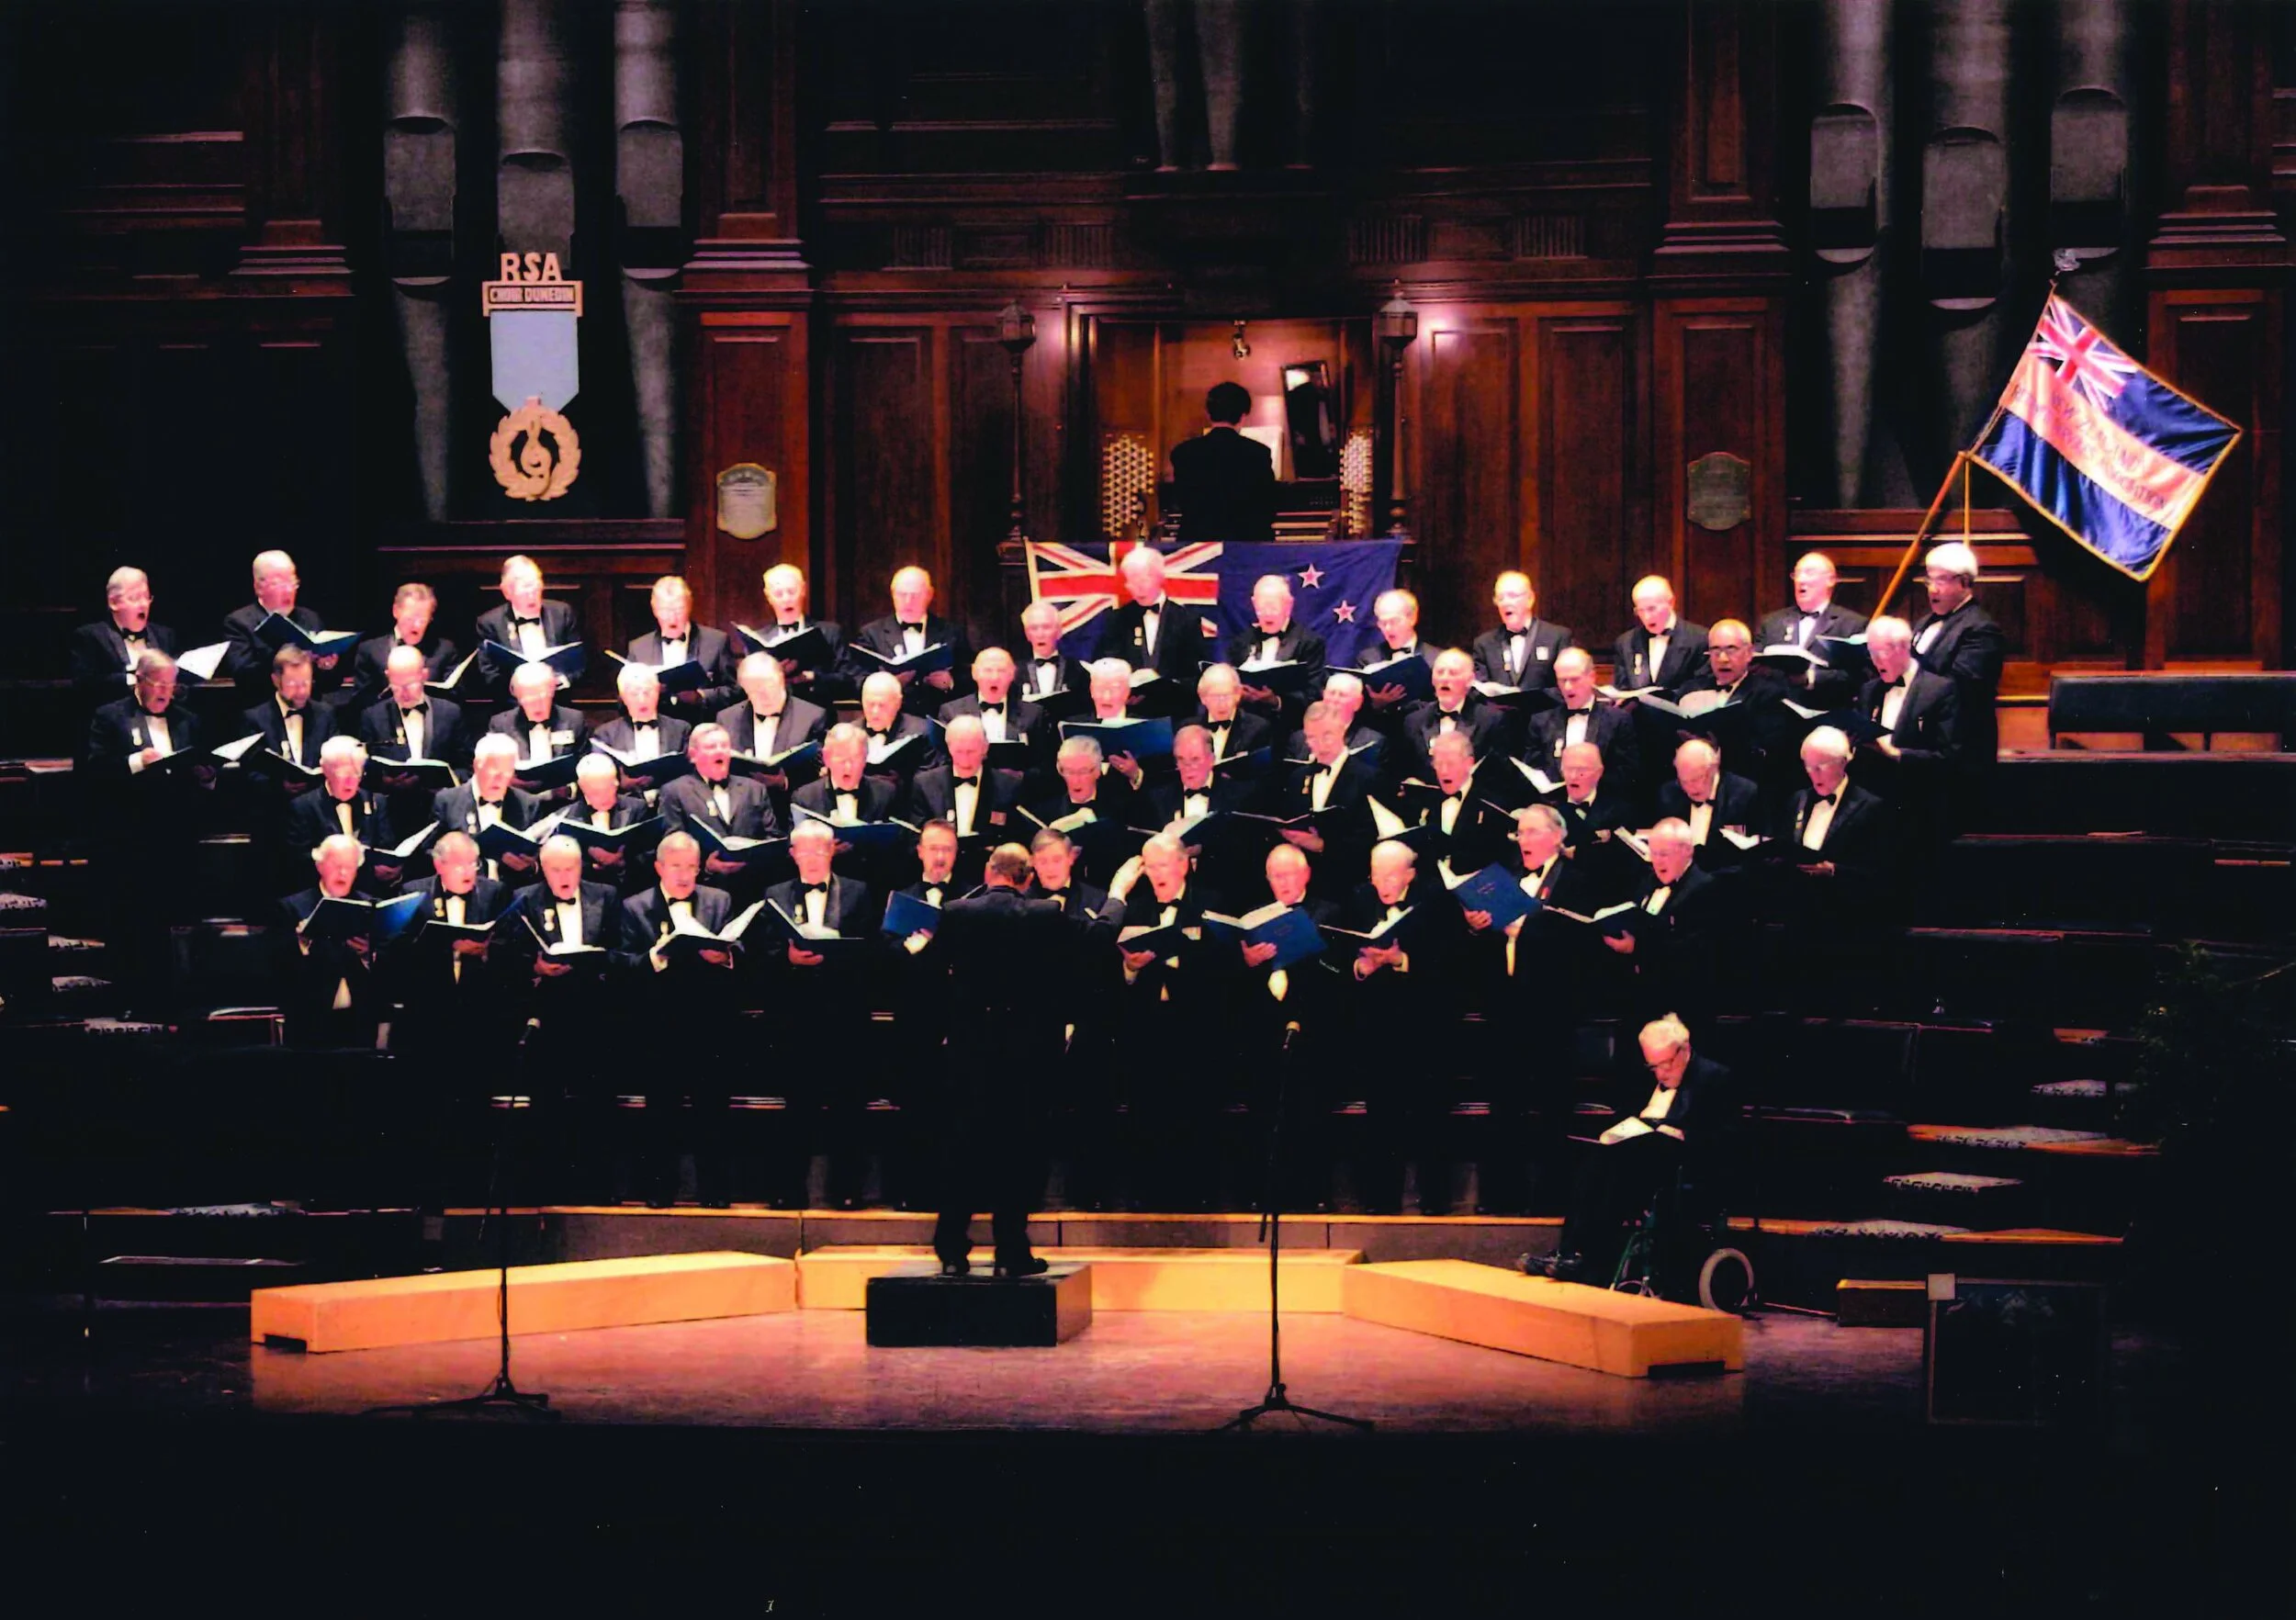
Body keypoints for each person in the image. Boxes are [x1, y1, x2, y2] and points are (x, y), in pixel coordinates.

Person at [929, 842, 1069, 1275]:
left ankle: (952, 1251)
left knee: (962, 1149)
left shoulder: (956, 912)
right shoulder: (1046, 914)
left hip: (971, 1050)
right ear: (1027, 878)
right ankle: (1011, 1251)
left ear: (989, 873)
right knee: (1018, 1151)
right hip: (1025, 1053)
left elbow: (934, 973)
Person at [1526, 1015, 1731, 1284]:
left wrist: (1682, 1134)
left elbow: (1723, 1138)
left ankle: (1587, 1258)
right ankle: (1568, 1252)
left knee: (1616, 1167)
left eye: (1666, 1064)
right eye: (1653, 1066)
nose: (1660, 1073)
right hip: (1638, 1157)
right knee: (1594, 1160)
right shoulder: (1652, 1079)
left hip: (1681, 1167)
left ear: (1685, 1050)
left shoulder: (1714, 1078)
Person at [613, 830, 740, 1205]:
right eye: (675, 866)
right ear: (658, 868)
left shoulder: (720, 901)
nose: (683, 875)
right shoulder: (635, 907)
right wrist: (653, 959)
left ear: (700, 868)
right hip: (659, 1027)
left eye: (690, 867)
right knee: (661, 1112)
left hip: (710, 1024)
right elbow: (621, 962)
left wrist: (726, 957)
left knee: (712, 1111)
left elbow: (740, 946)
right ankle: (659, 1190)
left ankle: (714, 1192)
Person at [1342, 839, 1469, 1213]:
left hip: (1427, 1029)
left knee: (1431, 1116)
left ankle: (1434, 1201)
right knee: (1381, 1116)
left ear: (1410, 874)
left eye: (1391, 874)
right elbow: (1337, 956)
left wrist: (1402, 961)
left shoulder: (1438, 903)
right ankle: (1380, 1200)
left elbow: (1453, 965)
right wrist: (1361, 969)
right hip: (1378, 1031)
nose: (1382, 882)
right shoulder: (1358, 900)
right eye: (1376, 874)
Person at [764, 819, 881, 1207]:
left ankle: (846, 1191)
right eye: (804, 850)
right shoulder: (775, 893)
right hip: (796, 1019)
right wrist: (787, 957)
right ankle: (788, 1190)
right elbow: (760, 953)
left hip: (845, 1015)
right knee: (797, 1107)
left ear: (832, 851)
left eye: (820, 849)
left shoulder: (860, 893)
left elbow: (870, 949)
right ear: (792, 854)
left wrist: (836, 958)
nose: (812, 857)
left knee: (849, 1107)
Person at [1599, 818, 1723, 1028]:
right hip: (1643, 992)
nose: (1657, 861)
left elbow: (1696, 950)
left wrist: (1638, 948)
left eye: (1664, 854)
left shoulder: (1706, 888)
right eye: (1653, 853)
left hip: (1680, 1001)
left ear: (1687, 851)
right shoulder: (1647, 881)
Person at [276, 834, 382, 1047]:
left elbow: (386, 973)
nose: (343, 873)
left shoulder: (372, 906)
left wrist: (367, 955)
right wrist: (302, 945)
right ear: (320, 866)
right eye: (336, 865)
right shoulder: (292, 907)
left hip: (359, 1023)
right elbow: (279, 969)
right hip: (310, 1024)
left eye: (350, 867)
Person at [1909, 540, 2004, 769]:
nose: (1932, 588)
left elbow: (1962, 686)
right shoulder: (1924, 622)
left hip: (1960, 747)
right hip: (1925, 740)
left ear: (1964, 583)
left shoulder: (1981, 629)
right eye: (1929, 579)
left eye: (1940, 580)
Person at [1272, 701, 1380, 895]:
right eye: (1312, 738)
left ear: (1342, 730)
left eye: (1327, 736)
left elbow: (1368, 840)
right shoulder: (1297, 777)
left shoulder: (1368, 777)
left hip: (1346, 889)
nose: (1319, 745)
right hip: (1304, 889)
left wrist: (1323, 846)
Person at [658, 723, 782, 893]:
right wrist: (706, 866)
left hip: (752, 886)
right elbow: (672, 845)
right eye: (710, 747)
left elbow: (773, 837)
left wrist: (751, 859)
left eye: (724, 746)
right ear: (693, 755)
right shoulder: (675, 791)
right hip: (703, 890)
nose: (719, 751)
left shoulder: (754, 788)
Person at [1094, 547, 1215, 714]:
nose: (1137, 588)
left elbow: (1196, 674)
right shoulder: (1117, 620)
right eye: (1131, 582)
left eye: (1143, 580)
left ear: (1160, 577)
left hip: (1175, 713)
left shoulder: (1186, 620)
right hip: (1130, 712)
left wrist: (1168, 686)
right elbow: (1103, 663)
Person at [848, 565, 971, 714]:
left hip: (940, 715)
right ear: (892, 595)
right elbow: (857, 680)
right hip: (892, 718)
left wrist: (950, 682)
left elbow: (969, 677)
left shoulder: (951, 632)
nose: (908, 601)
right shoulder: (871, 634)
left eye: (915, 595)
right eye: (901, 594)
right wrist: (889, 685)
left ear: (930, 595)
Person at [223, 549, 342, 702]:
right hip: (262, 712)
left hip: (309, 710)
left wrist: (326, 667)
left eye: (293, 583)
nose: (288, 590)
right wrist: (283, 656)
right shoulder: (239, 623)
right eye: (279, 584)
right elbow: (244, 678)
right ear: (259, 587)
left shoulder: (310, 618)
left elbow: (331, 685)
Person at [1168, 379, 1276, 544]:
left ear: (1208, 414)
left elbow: (1182, 501)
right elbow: (1267, 508)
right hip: (1247, 546)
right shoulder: (1258, 453)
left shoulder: (1183, 452)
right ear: (1243, 416)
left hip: (1197, 545)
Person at [1758, 552, 1867, 708]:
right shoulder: (1771, 623)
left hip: (1828, 716)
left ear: (1831, 580)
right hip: (1776, 717)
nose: (1801, 580)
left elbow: (1860, 676)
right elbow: (1755, 667)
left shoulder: (1852, 624)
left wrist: (1811, 677)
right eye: (1797, 573)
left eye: (1809, 573)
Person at [432, 734, 547, 882]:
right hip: (466, 891)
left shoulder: (528, 804)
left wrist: (530, 867)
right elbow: (430, 852)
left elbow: (540, 860)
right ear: (476, 765)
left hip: (512, 893)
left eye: (507, 771)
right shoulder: (447, 801)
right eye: (494, 770)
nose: (500, 779)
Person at [282, 737, 398, 879]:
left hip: (368, 890)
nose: (351, 782)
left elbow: (386, 848)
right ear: (325, 770)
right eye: (344, 774)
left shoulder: (376, 801)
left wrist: (389, 868)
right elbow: (299, 860)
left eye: (357, 774)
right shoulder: (303, 806)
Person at [1224, 572, 1327, 732]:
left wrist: (1276, 701)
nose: (1267, 614)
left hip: (1288, 729)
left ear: (1289, 605)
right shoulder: (1241, 642)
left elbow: (1313, 695)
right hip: (1247, 730)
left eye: (1273, 607)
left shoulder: (1309, 642)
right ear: (1253, 604)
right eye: (1261, 608)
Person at [1525, 648, 1640, 785]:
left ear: (1591, 677)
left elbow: (1627, 772)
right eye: (1563, 680)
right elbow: (1533, 769)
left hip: (1601, 802)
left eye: (1574, 679)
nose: (1568, 687)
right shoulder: (1541, 722)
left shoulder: (1617, 720)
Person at [70, 566, 178, 709]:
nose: (143, 604)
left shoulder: (164, 635)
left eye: (146, 597)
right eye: (134, 598)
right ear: (113, 603)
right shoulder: (91, 636)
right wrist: (135, 680)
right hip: (116, 724)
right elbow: (85, 685)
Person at [628, 574, 737, 714]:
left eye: (679, 610)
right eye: (665, 611)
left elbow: (734, 692)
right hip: (661, 729)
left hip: (700, 727)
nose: (672, 618)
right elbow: (622, 701)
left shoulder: (716, 642)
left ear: (689, 607)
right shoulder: (638, 648)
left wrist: (701, 697)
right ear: (654, 610)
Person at [474, 554, 580, 697]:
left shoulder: (562, 613)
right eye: (525, 593)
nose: (532, 597)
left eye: (536, 590)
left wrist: (560, 681)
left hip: (558, 702)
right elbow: (488, 672)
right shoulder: (490, 623)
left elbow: (578, 662)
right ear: (507, 592)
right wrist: (520, 688)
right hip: (512, 706)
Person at [356, 643, 470, 775]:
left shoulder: (450, 713)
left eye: (410, 685)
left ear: (424, 675)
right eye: (396, 686)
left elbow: (466, 767)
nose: (404, 693)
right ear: (388, 676)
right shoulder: (373, 717)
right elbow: (367, 771)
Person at [1401, 647, 1510, 782]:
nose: (1445, 678)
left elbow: (1499, 775)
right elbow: (1406, 771)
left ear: (1470, 680)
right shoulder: (1413, 722)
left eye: (1453, 673)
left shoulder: (1491, 720)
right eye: (1440, 672)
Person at [349, 582, 462, 709]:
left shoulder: (444, 650)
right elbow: (361, 701)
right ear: (395, 611)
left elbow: (456, 699)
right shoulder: (370, 651)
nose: (416, 626)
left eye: (423, 620)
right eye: (410, 619)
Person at [1652, 737, 1763, 864]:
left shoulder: (1744, 794)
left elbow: (1756, 854)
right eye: (1684, 781)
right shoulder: (1668, 794)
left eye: (1696, 779)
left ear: (1713, 768)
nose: (1690, 788)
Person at [241, 645, 337, 791]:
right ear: (275, 681)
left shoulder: (325, 714)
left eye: (306, 682)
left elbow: (336, 762)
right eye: (293, 684)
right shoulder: (255, 719)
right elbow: (250, 772)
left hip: (315, 805)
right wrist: (278, 786)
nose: (301, 691)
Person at [937, 646, 1048, 765]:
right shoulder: (951, 712)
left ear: (1012, 675)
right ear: (974, 673)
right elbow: (943, 762)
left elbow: (1042, 764)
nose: (994, 678)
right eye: (988, 670)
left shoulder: (1033, 714)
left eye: (1001, 671)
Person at [752, 562, 845, 701]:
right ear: (768, 597)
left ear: (803, 590)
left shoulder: (829, 632)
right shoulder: (759, 638)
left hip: (818, 711)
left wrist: (812, 677)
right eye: (778, 594)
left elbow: (847, 679)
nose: (786, 599)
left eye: (791, 592)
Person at [486, 660, 591, 783]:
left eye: (542, 698)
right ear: (517, 697)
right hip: (520, 798)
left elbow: (586, 768)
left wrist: (569, 790)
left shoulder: (574, 719)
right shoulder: (501, 725)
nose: (537, 707)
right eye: (529, 700)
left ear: (552, 691)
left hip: (564, 798)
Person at [567, 753, 657, 893]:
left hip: (630, 891)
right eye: (596, 792)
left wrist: (622, 863)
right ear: (582, 787)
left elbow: (649, 854)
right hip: (589, 896)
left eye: (610, 789)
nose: (605, 797)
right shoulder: (568, 818)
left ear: (617, 782)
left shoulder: (637, 808)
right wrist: (594, 866)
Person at [1471, 571, 1574, 692]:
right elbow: (1479, 691)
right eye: (1500, 598)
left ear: (1530, 599)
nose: (1506, 602)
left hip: (1545, 710)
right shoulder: (1484, 644)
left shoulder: (1557, 637)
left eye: (1512, 596)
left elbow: (1567, 686)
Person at [591, 661, 692, 782]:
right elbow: (600, 779)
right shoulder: (605, 735)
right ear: (623, 698)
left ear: (658, 692)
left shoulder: (681, 729)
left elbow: (690, 774)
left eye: (647, 692)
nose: (642, 700)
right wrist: (621, 785)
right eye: (634, 694)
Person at [1612, 575, 1707, 697]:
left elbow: (1700, 688)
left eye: (1652, 609)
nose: (1646, 617)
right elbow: (1622, 687)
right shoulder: (1626, 642)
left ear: (1671, 602)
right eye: (1640, 610)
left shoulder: (1699, 639)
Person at [855, 669, 945, 787]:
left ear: (898, 702)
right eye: (870, 704)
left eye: (882, 705)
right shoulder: (850, 733)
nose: (875, 711)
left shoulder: (923, 732)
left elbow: (930, 783)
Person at [1191, 663, 1277, 770]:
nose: (1222, 703)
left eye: (1227, 695)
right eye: (1215, 696)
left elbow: (1260, 776)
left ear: (1238, 695)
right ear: (1203, 698)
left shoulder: (1258, 728)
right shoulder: (1187, 728)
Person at [1016, 601, 1088, 705]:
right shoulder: (1016, 673)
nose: (1040, 634)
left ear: (1059, 632)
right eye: (1034, 628)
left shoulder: (1077, 670)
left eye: (1046, 627)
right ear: (1027, 634)